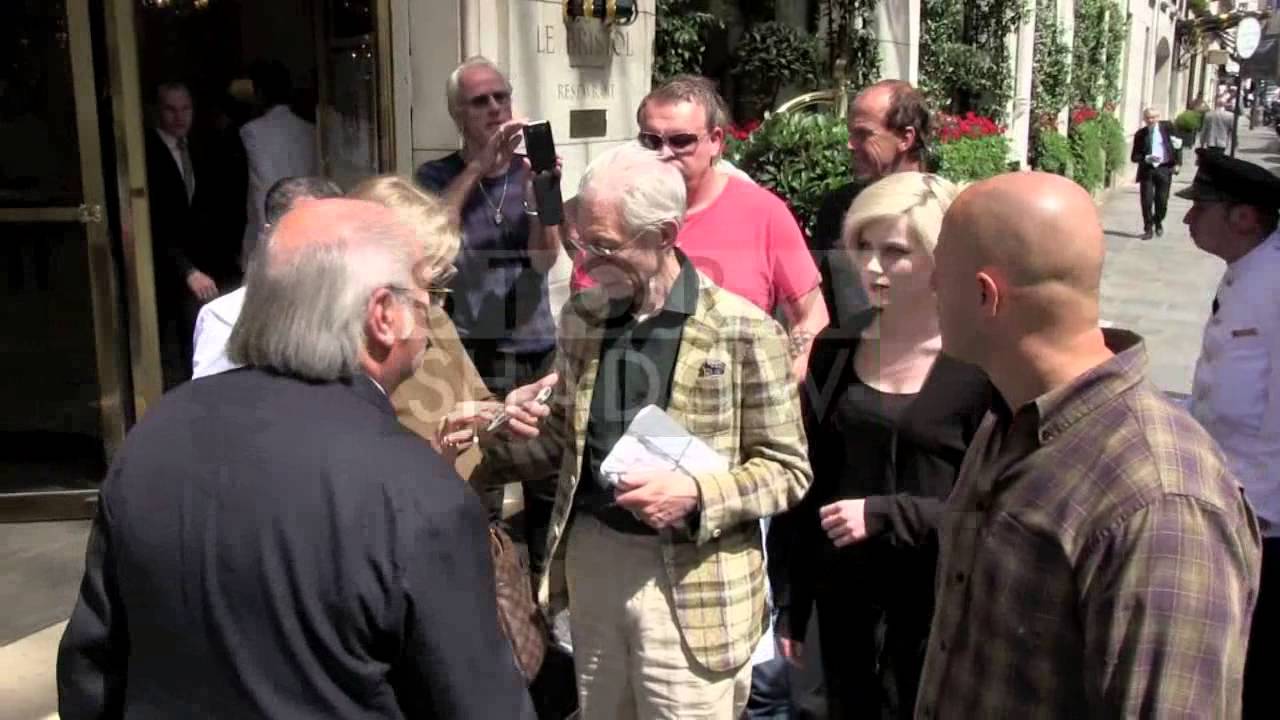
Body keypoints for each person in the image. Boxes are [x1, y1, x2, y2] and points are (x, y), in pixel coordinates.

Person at [56, 199, 535, 718]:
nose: (431, 318)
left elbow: (92, 669)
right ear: (383, 316)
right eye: (427, 299)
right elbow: (478, 703)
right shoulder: (415, 489)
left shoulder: (156, 434)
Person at [472, 143, 812, 719]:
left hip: (690, 580)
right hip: (594, 563)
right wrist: (484, 434)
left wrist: (697, 494)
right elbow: (560, 444)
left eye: (605, 247)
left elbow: (788, 470)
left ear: (664, 234)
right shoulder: (582, 318)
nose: (586, 262)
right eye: (582, 242)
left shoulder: (743, 330)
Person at [916, 171, 1261, 717]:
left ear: (986, 295)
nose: (931, 287)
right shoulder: (1009, 420)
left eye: (941, 270)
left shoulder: (1161, 501)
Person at [771, 172, 991, 719]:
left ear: (944, 258)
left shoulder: (984, 363)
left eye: (895, 251)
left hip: (942, 604)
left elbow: (1002, 503)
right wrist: (793, 602)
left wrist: (890, 515)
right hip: (846, 598)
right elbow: (813, 474)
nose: (872, 266)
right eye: (863, 247)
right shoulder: (836, 348)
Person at [570, 76, 829, 382]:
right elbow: (585, 320)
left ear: (716, 140)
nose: (663, 153)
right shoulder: (613, 217)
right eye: (650, 141)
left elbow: (812, 314)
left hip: (728, 409)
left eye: (681, 140)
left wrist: (787, 375)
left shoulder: (764, 213)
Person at [1179, 149, 1280, 719]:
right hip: (1240, 507)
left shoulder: (1275, 285)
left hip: (1267, 519)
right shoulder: (1248, 276)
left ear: (1244, 218)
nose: (1189, 220)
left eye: (1202, 208)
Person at [415, 56, 559, 397]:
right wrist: (478, 167)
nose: (495, 108)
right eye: (481, 101)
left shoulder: (534, 170)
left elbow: (545, 260)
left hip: (537, 343)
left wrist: (538, 199)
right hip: (473, 347)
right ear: (457, 114)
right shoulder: (435, 176)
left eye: (501, 97)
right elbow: (432, 240)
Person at [192, 175, 342, 379]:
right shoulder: (227, 317)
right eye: (310, 231)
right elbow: (212, 402)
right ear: (271, 236)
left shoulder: (366, 308)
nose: (325, 245)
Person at [811, 80, 931, 334]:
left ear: (905, 138)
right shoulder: (837, 210)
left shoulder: (942, 211)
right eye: (851, 134)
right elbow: (819, 301)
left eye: (863, 134)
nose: (850, 145)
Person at [145, 81, 242, 388]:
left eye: (185, 109)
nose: (179, 117)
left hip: (209, 264)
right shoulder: (145, 154)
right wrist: (187, 270)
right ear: (156, 111)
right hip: (165, 268)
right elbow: (154, 222)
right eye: (170, 109)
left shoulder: (201, 148)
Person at [239, 60, 318, 266]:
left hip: (265, 232)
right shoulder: (310, 130)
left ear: (259, 93)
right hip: (307, 227)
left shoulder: (250, 132)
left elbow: (255, 189)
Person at [1130, 107, 1181, 240]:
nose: (1150, 120)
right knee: (1146, 201)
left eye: (1153, 117)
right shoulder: (1140, 134)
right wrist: (1146, 158)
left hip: (1164, 169)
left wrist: (1178, 163)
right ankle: (1148, 228)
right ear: (1144, 119)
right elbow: (1134, 157)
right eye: (1148, 118)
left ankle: (1158, 221)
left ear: (1158, 118)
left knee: (1162, 201)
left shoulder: (1168, 128)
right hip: (1148, 171)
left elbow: (1178, 146)